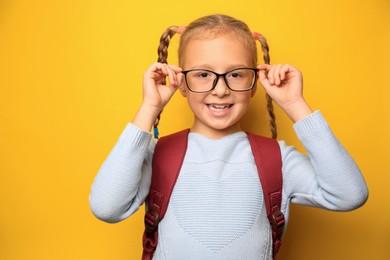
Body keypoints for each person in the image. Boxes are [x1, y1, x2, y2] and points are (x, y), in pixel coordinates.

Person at [89, 14, 368, 259]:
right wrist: (149, 108)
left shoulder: (277, 159)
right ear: (181, 83)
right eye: (202, 74)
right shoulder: (155, 154)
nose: (220, 89)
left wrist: (296, 105)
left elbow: (349, 195)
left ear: (254, 84)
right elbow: (106, 207)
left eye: (235, 74)